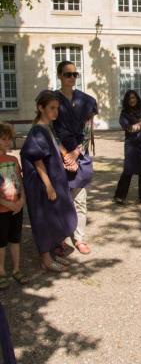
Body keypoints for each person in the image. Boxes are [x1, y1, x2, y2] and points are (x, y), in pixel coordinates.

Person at [20, 91, 77, 272]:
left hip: (49, 181)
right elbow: (37, 160)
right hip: (40, 184)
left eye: (57, 108)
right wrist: (48, 185)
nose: (56, 112)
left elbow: (53, 148)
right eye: (52, 108)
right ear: (40, 108)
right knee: (42, 219)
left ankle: (51, 253)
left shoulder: (46, 127)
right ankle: (45, 259)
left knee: (53, 216)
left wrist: (65, 159)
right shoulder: (38, 130)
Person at [53, 61, 98, 255]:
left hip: (80, 154)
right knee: (61, 199)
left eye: (74, 74)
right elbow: (48, 129)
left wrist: (76, 152)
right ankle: (59, 238)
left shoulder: (86, 100)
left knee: (80, 199)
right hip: (57, 154)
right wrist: (64, 153)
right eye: (67, 74)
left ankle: (79, 238)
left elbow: (88, 130)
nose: (71, 78)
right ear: (59, 75)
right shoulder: (51, 99)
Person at [113, 89, 141, 205]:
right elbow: (129, 129)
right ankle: (119, 195)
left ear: (137, 99)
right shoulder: (124, 113)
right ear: (126, 100)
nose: (132, 100)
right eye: (130, 98)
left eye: (134, 98)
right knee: (128, 170)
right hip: (131, 144)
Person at [0, 123, 28, 289]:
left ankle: (16, 269)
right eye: (3, 139)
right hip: (2, 209)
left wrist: (22, 199)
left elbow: (19, 181)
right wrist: (6, 203)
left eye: (9, 139)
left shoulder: (13, 159)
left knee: (15, 239)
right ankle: (1, 272)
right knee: (1, 242)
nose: (7, 143)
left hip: (17, 207)